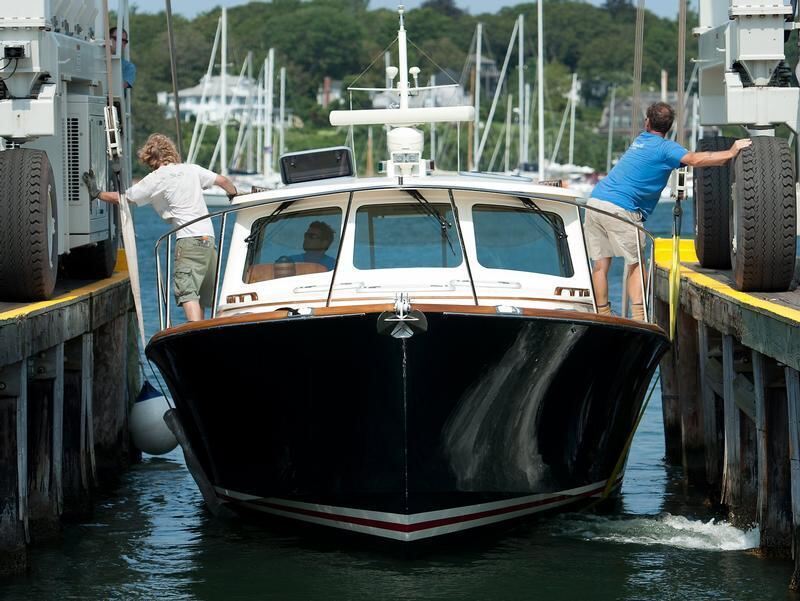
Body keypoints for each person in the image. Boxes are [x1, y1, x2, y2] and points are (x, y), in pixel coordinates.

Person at [584, 101, 752, 320]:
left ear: (647, 122)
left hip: (595, 202)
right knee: (635, 264)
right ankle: (639, 318)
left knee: (600, 265)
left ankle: (602, 315)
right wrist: (731, 152)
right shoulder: (666, 149)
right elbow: (695, 159)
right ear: (669, 127)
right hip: (621, 208)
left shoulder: (640, 141)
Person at [82, 133, 237, 322]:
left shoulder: (157, 178)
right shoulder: (191, 169)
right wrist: (234, 196)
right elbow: (223, 181)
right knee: (201, 296)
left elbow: (124, 198)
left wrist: (97, 193)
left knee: (187, 292)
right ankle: (202, 331)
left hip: (189, 240)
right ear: (171, 151)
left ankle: (195, 332)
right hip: (209, 241)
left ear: (150, 159)